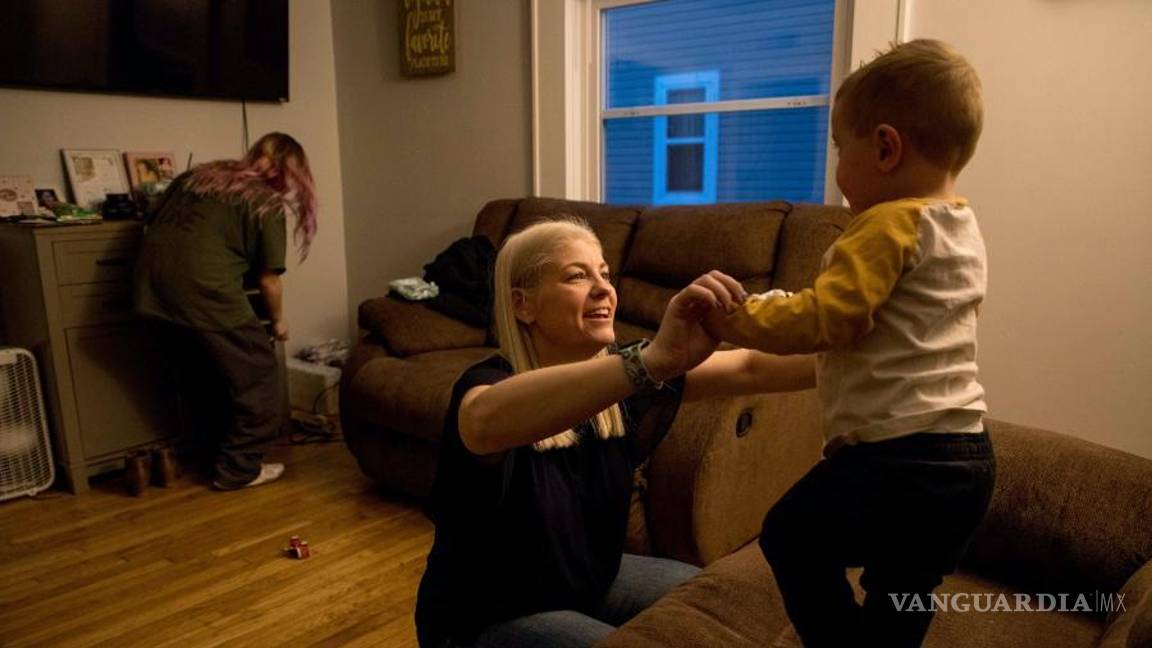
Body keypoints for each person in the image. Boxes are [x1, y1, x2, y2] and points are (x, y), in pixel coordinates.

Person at [702, 40, 996, 647]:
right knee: (903, 588)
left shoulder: (886, 223)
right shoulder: (961, 228)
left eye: (841, 148)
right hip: (966, 460)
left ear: (886, 147)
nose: (837, 169)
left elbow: (829, 318)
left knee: (790, 535)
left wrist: (738, 319)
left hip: (900, 459)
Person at [414, 219, 812, 648]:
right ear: (522, 305)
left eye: (604, 274)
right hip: (488, 616)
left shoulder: (623, 380)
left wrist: (854, 344)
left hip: (590, 580)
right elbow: (482, 420)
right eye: (577, 276)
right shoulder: (487, 385)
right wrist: (651, 362)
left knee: (719, 598)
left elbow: (749, 367)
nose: (603, 288)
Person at [133, 132, 317, 490]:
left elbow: (155, 219)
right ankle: (238, 470)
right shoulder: (264, 202)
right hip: (204, 292)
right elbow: (269, 281)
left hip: (151, 291)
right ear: (287, 171)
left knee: (206, 377)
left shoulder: (197, 176)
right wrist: (279, 321)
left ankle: (211, 456)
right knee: (260, 379)